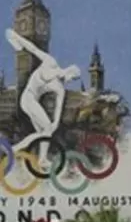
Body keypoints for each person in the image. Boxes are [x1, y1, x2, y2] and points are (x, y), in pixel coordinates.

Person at [6, 28, 81, 171]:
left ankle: (19, 151)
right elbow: (33, 49)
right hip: (28, 98)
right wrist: (16, 37)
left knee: (43, 134)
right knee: (45, 130)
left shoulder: (60, 88)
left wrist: (56, 123)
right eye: (73, 78)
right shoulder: (50, 62)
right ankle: (36, 157)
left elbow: (59, 106)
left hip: (31, 102)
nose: (70, 81)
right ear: (70, 71)